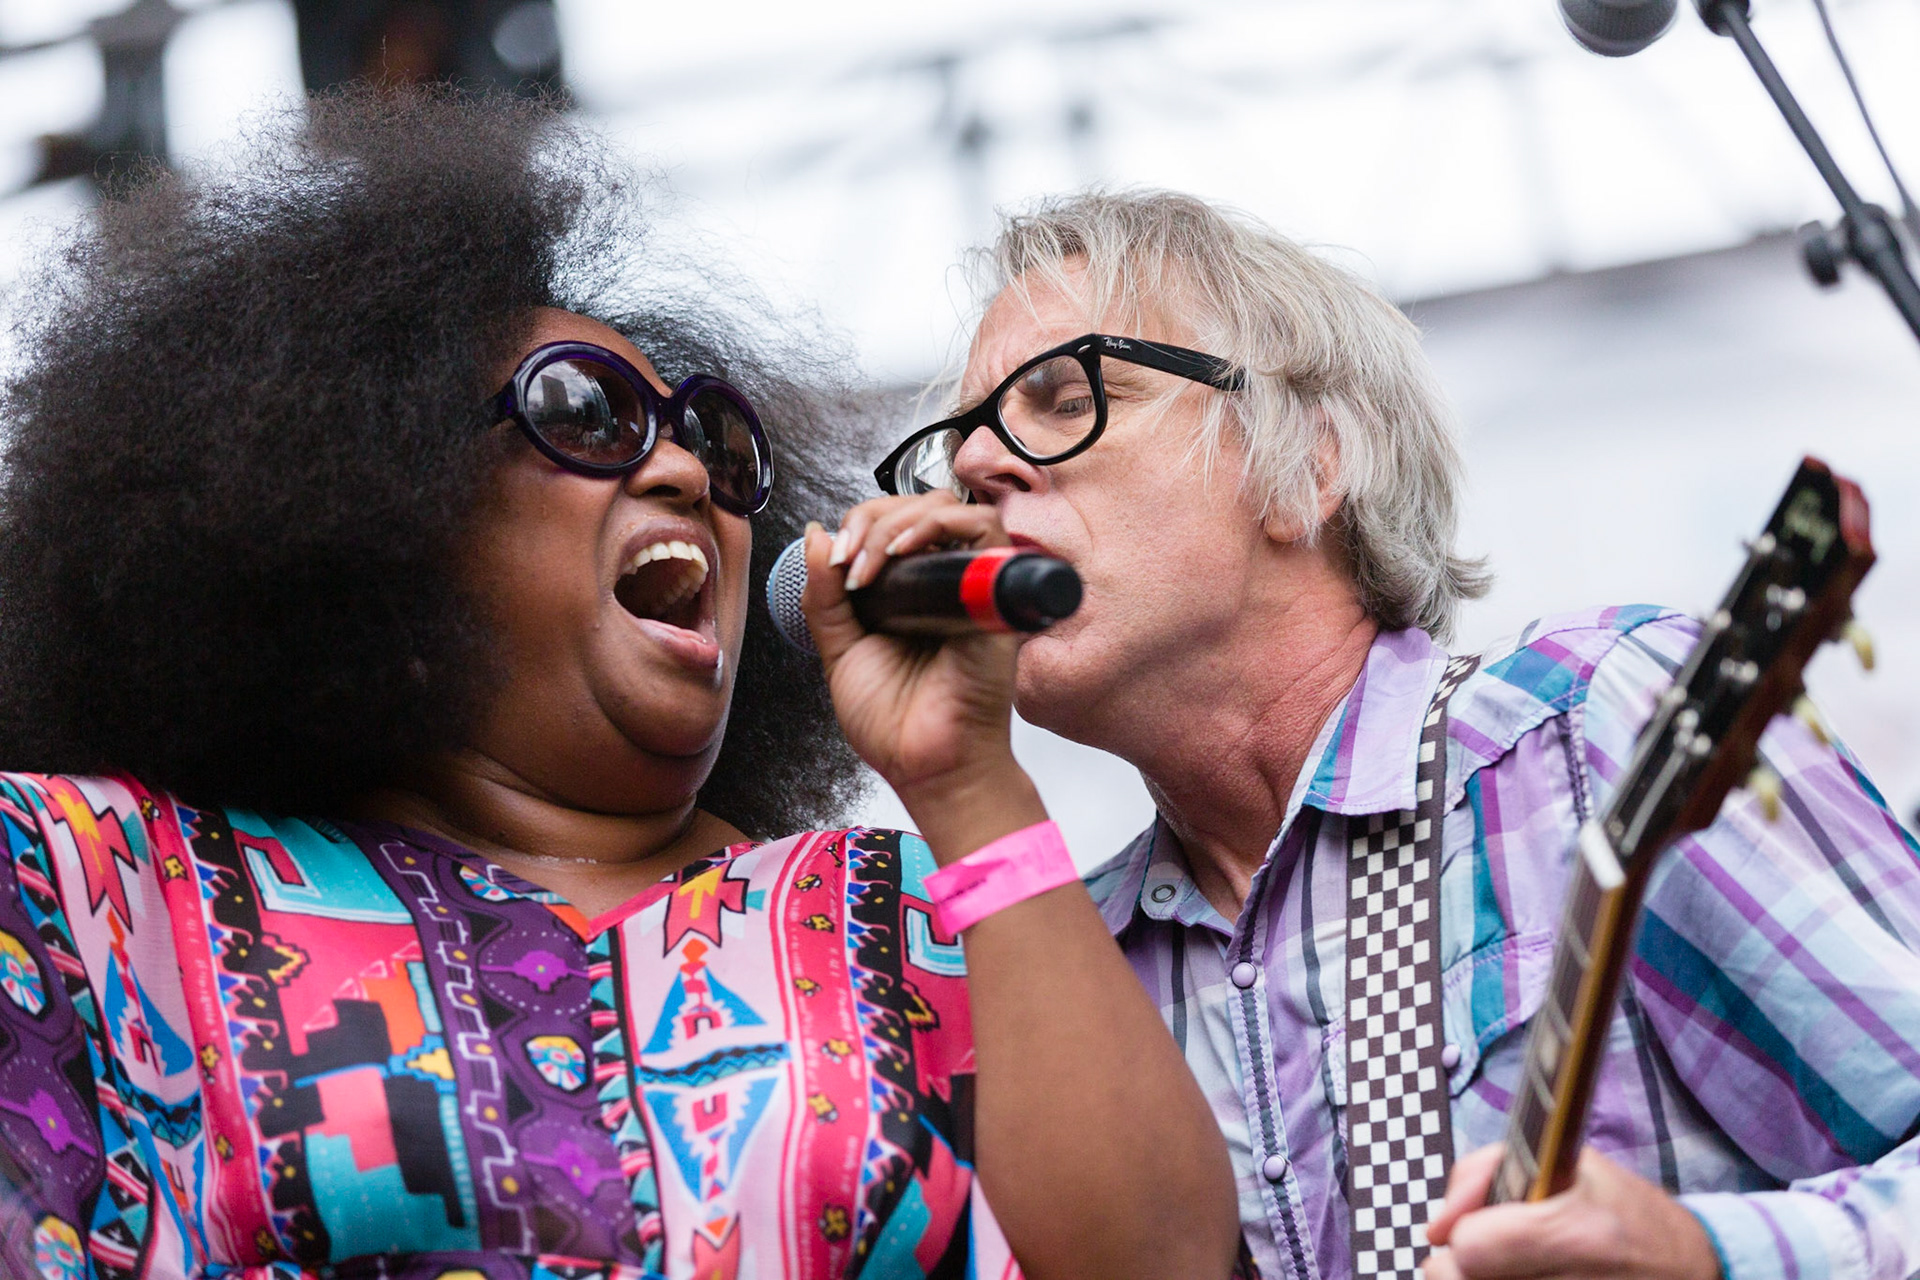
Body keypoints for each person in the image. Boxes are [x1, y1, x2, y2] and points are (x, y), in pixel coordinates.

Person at [0, 95, 1242, 1279]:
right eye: (587, 413)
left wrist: (969, 785)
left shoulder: (913, 910)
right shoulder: (103, 889)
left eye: (718, 443)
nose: (683, 473)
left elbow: (1163, 1261)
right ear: (372, 494)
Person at [849, 188, 1920, 1280]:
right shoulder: (1072, 971)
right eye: (957, 444)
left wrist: (1703, 1253)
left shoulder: (1588, 727)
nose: (976, 471)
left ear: (1308, 466)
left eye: (1064, 394)